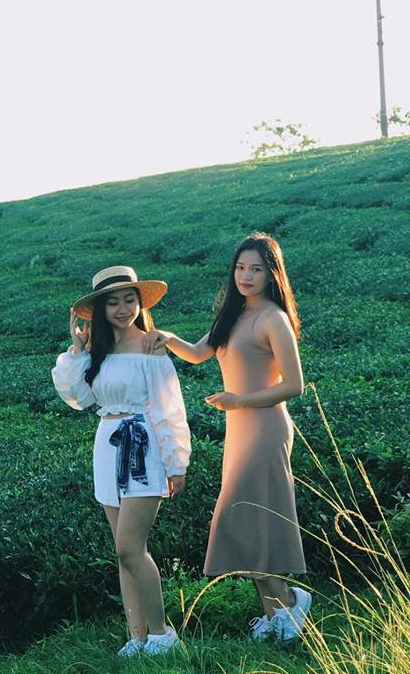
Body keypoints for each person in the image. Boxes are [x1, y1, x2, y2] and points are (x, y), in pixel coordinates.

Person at [143, 232, 311, 642]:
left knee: (241, 519)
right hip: (240, 432)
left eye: (256, 269)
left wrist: (240, 400)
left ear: (272, 275)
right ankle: (276, 613)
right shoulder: (232, 315)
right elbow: (198, 353)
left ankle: (290, 601)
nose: (246, 276)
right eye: (240, 268)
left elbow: (294, 385)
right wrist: (167, 338)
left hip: (265, 429)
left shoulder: (273, 319)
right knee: (250, 521)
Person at [52, 265, 191, 658]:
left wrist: (176, 462)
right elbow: (78, 397)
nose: (123, 308)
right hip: (107, 445)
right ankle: (137, 637)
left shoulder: (150, 345)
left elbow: (169, 407)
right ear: (100, 309)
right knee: (121, 550)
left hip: (143, 446)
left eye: (130, 300)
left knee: (130, 547)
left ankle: (162, 634)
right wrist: (77, 350)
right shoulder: (97, 352)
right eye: (113, 302)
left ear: (140, 304)